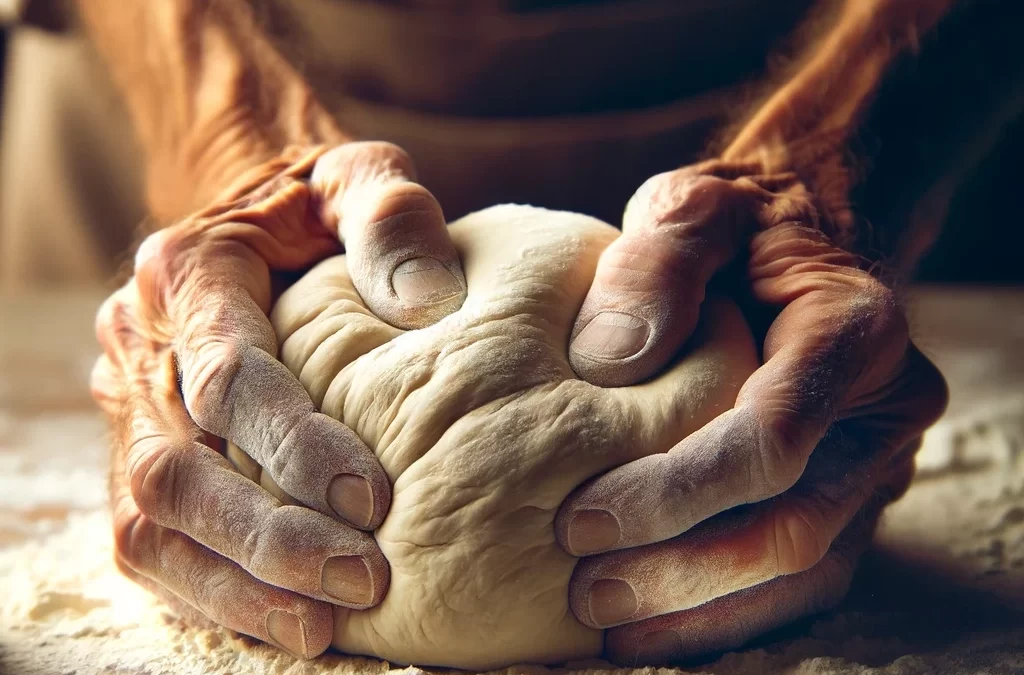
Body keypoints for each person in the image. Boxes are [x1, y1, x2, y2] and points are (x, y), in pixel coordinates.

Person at [3, 0, 1015, 665]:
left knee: (783, 426)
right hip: (198, 59)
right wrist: (223, 133)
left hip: (845, 55)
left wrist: (846, 141)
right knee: (226, 402)